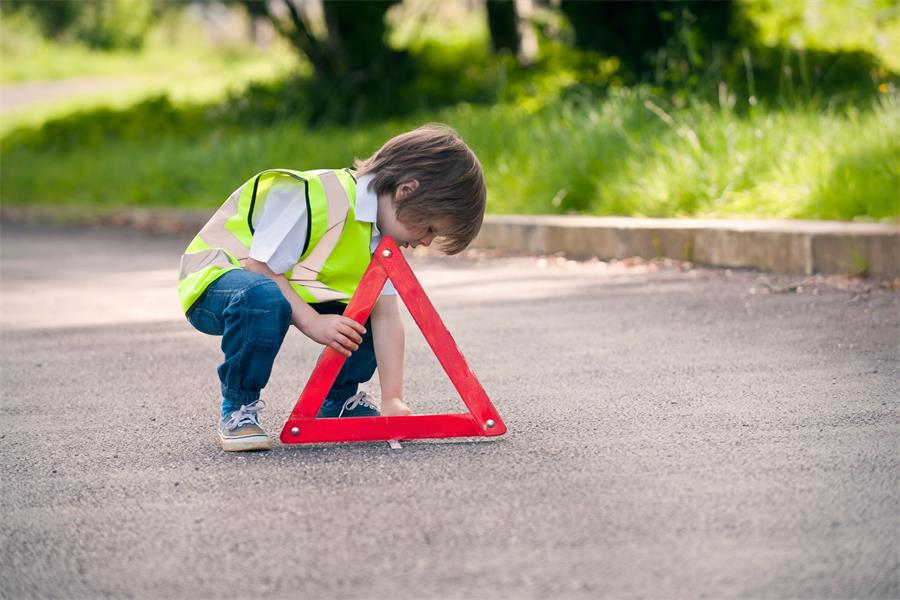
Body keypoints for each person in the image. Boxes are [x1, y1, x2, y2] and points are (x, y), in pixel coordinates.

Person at [177, 124, 486, 451]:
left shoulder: (380, 236)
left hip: (288, 289)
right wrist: (312, 321)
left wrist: (392, 399)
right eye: (428, 228)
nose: (424, 241)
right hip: (222, 282)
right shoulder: (318, 195)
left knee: (363, 312)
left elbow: (386, 317)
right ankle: (238, 407)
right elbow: (260, 268)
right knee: (262, 296)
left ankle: (338, 399)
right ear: (405, 190)